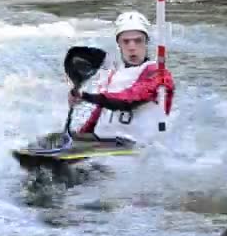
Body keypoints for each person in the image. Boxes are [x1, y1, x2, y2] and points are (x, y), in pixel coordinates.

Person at [68, 11, 175, 144]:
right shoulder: (114, 73)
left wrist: (85, 96)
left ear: (147, 42)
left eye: (138, 41)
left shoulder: (158, 73)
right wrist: (81, 135)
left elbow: (128, 101)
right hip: (107, 142)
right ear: (118, 43)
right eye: (126, 41)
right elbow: (102, 110)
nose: (132, 47)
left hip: (140, 146)